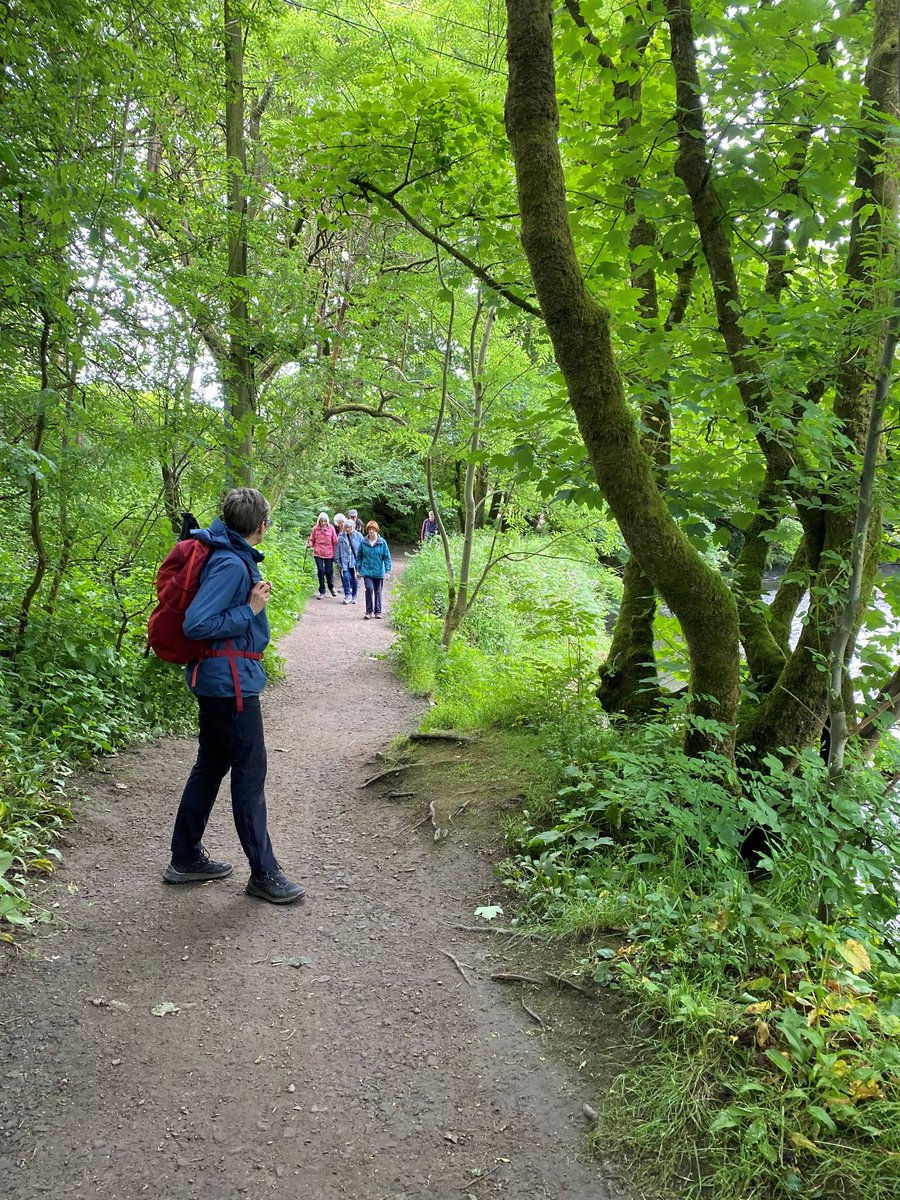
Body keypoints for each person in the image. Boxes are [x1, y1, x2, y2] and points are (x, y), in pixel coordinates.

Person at [163, 487, 304, 905]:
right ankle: (264, 873)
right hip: (230, 686)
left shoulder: (228, 553)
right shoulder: (229, 562)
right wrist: (251, 609)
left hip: (221, 680)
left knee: (211, 765)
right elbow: (197, 623)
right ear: (262, 525)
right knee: (249, 773)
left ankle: (186, 857)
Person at [356, 520, 392, 620]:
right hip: (367, 571)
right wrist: (358, 570)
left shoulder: (382, 542)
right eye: (370, 529)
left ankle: (378, 611)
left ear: (377, 530)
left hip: (379, 571)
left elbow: (387, 557)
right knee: (369, 588)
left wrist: (388, 571)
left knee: (378, 591)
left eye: (373, 529)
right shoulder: (363, 542)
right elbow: (359, 557)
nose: (371, 531)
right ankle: (368, 611)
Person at [307, 511, 337, 598]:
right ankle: (322, 590)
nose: (323, 523)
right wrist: (309, 544)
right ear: (319, 521)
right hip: (318, 552)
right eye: (321, 521)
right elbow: (312, 540)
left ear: (327, 521)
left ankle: (331, 587)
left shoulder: (331, 528)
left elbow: (335, 541)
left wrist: (336, 553)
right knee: (320, 571)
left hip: (329, 553)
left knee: (328, 572)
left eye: (324, 521)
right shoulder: (315, 529)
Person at [335, 517, 362, 605]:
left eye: (349, 527)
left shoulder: (358, 536)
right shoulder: (341, 536)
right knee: (346, 577)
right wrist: (337, 561)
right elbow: (338, 549)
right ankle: (347, 595)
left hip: (355, 562)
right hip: (344, 561)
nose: (347, 529)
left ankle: (354, 596)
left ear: (353, 527)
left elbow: (362, 549)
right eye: (346, 527)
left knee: (355, 579)